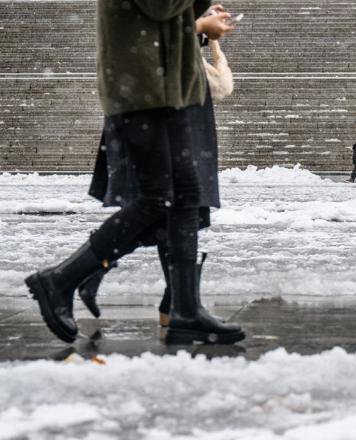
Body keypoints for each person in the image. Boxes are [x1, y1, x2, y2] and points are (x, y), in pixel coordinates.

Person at [25, 0, 244, 345]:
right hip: (143, 88)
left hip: (167, 87)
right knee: (158, 200)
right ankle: (60, 280)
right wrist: (201, 27)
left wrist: (201, 18)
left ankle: (186, 311)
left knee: (185, 198)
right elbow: (161, 8)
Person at [80, 10, 235, 328]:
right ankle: (81, 273)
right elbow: (152, 22)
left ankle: (178, 304)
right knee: (167, 204)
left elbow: (165, 21)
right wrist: (199, 24)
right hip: (158, 95)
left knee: (178, 207)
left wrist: (201, 25)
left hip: (176, 90)